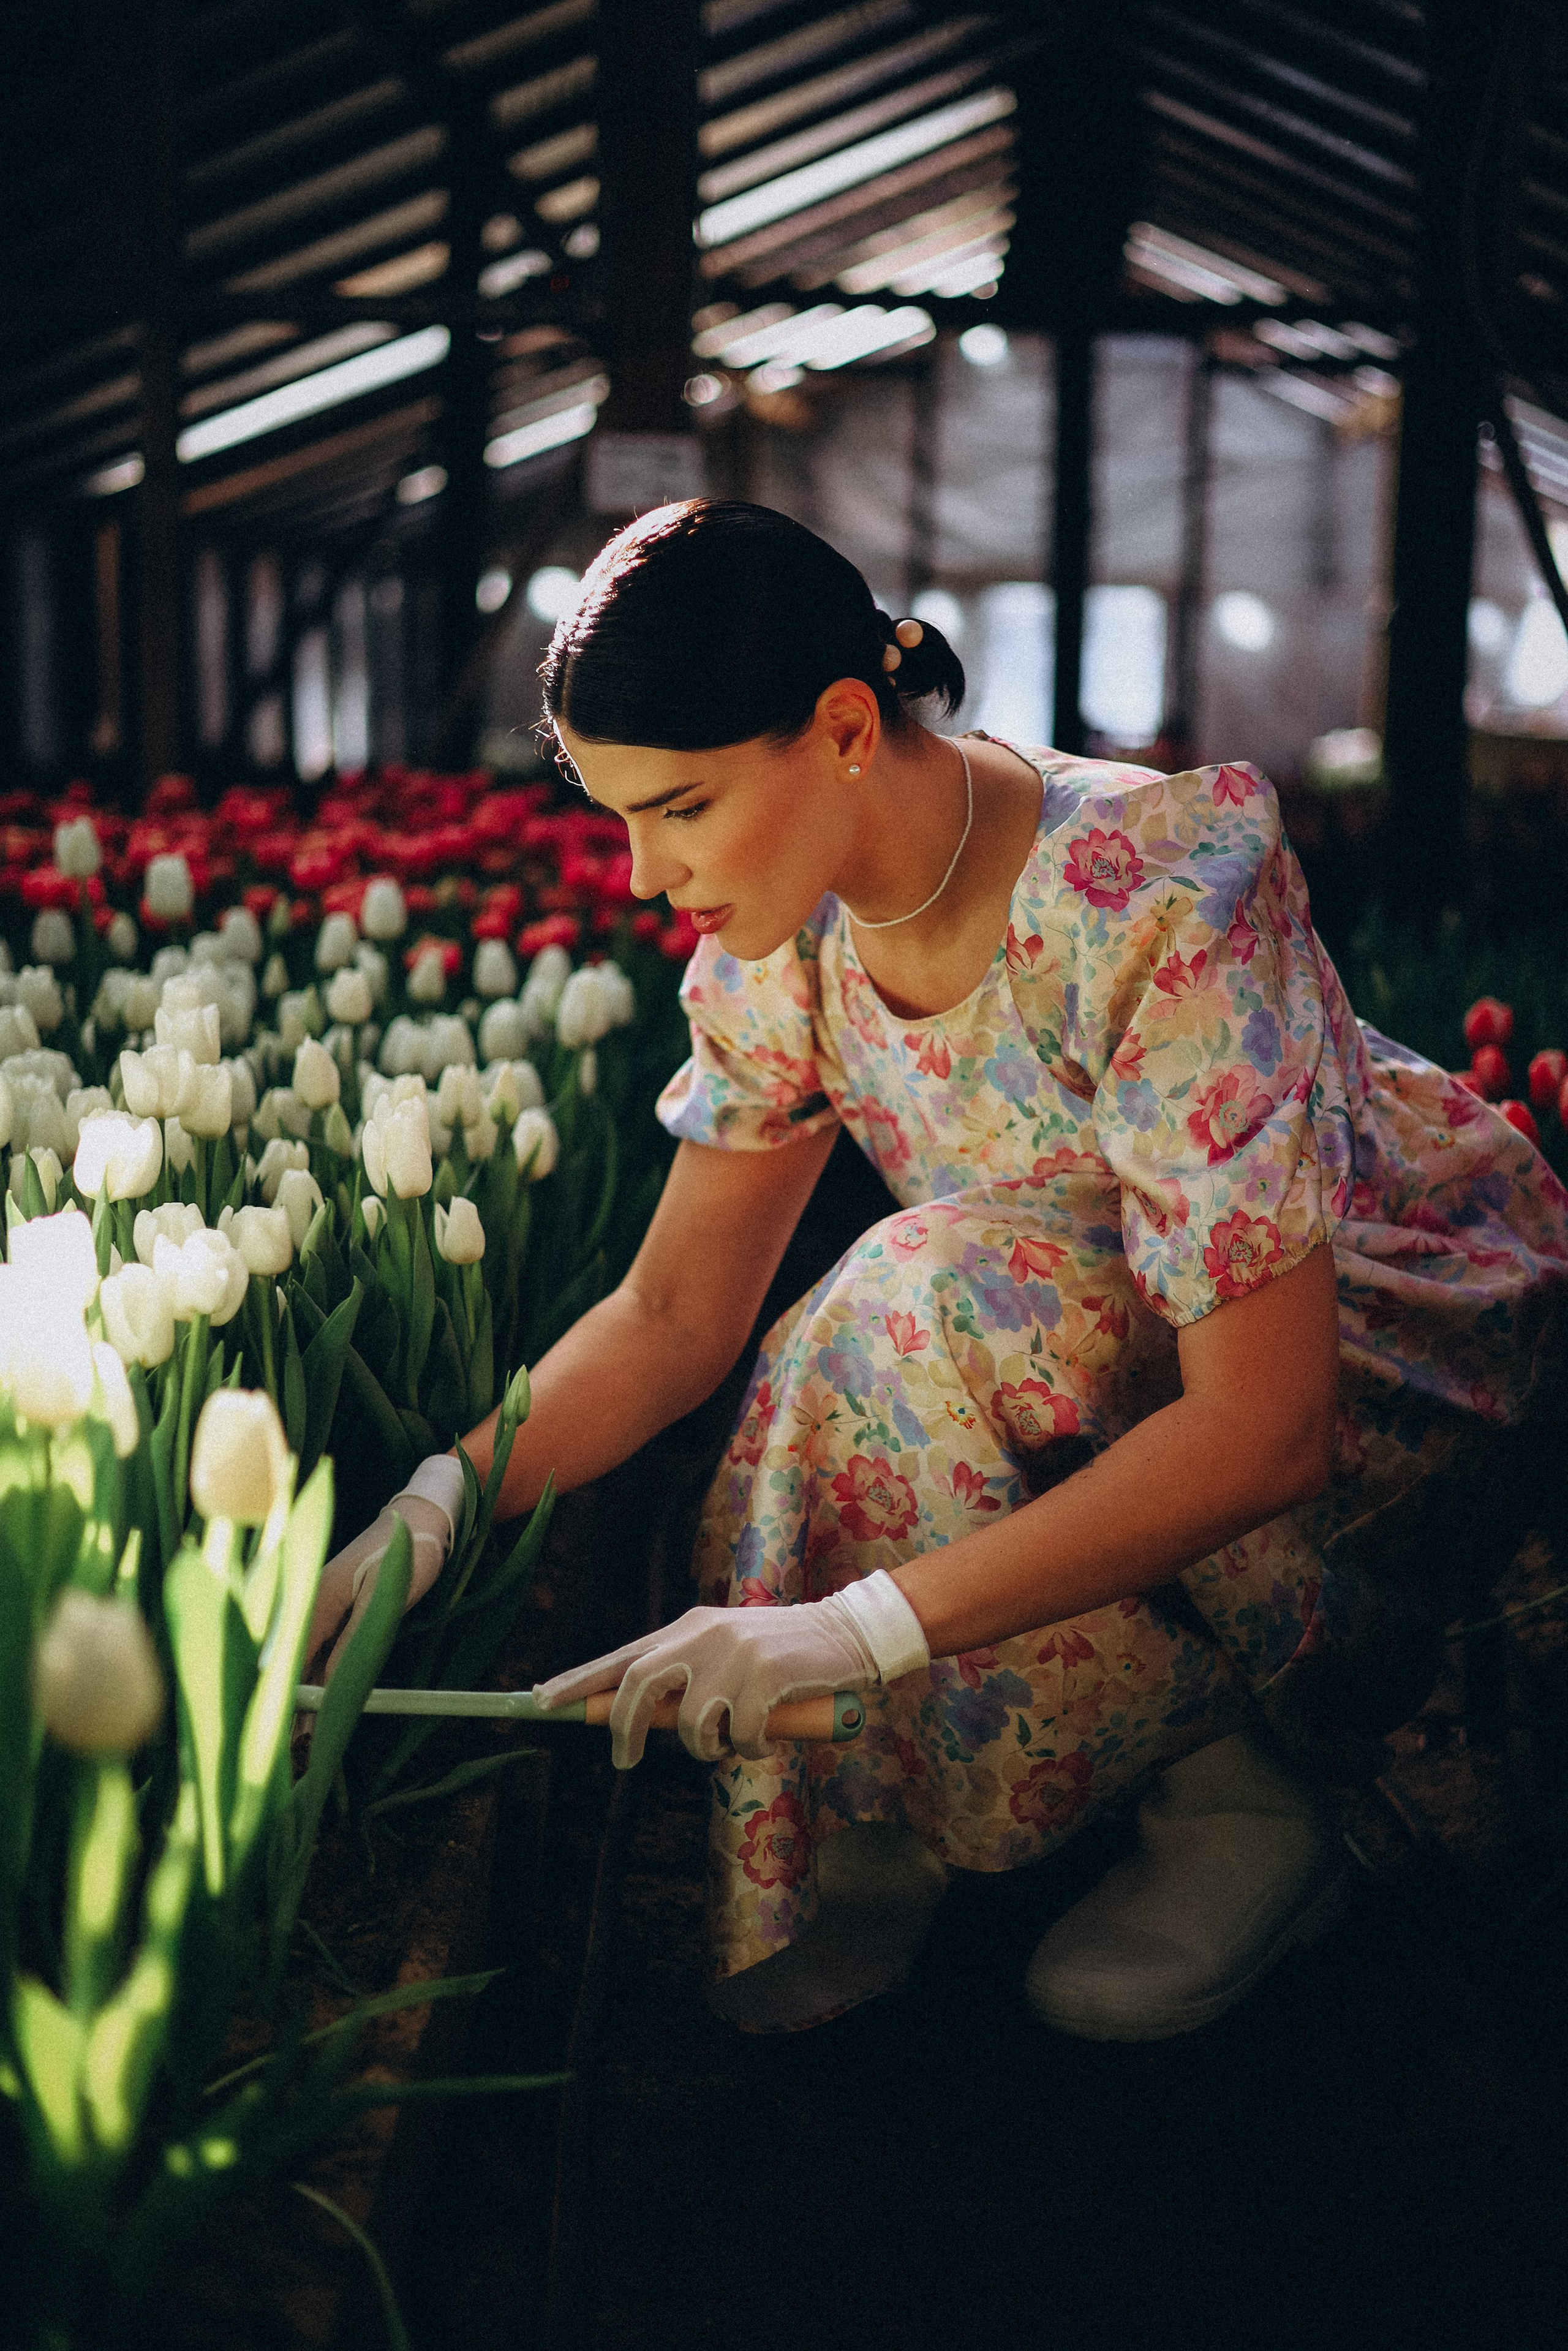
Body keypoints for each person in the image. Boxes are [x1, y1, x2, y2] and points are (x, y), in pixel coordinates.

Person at [310, 500, 1568, 2040]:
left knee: (920, 1290)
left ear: (844, 725)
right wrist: (431, 1507)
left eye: (682, 806)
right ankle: (889, 1815)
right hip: (1084, 1330)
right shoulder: (780, 933)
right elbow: (670, 1309)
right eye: (621, 816)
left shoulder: (1155, 887)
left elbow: (1265, 1422)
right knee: (883, 1316)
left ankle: (1247, 1796)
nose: (644, 876)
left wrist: (846, 1631)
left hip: (1367, 1334)